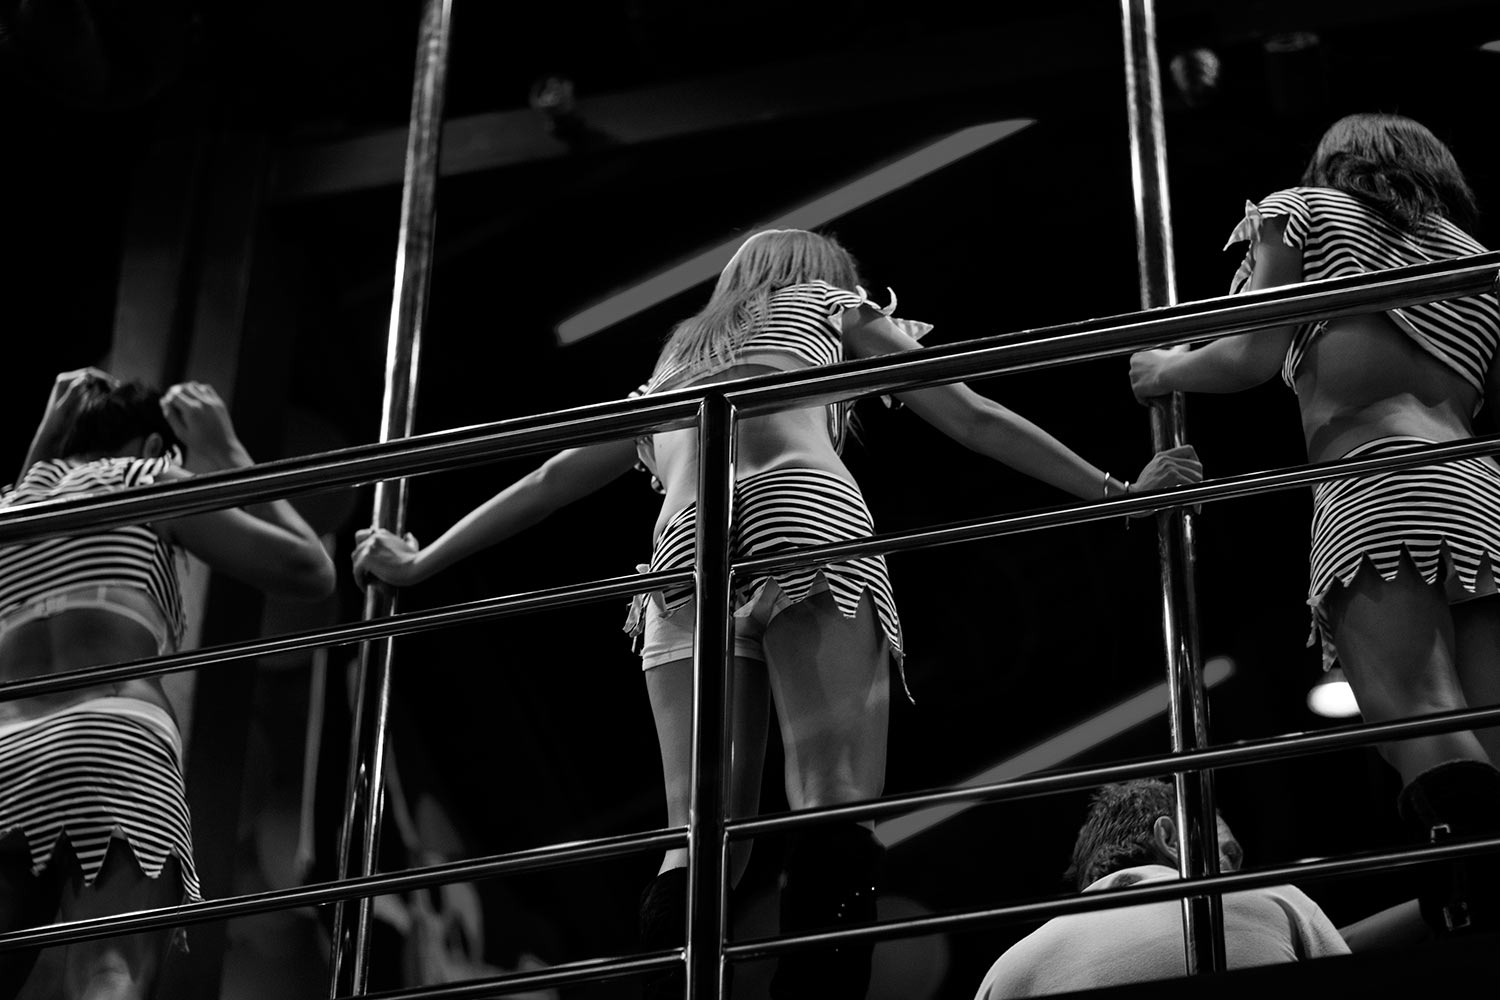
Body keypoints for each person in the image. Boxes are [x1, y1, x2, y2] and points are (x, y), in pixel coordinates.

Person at [352, 228, 1202, 998]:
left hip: (681, 550)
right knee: (832, 802)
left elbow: (551, 481)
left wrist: (421, 561)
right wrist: (1115, 492)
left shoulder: (673, 366)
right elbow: (968, 415)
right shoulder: (829, 304)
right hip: (800, 512)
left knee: (698, 831)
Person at [1128, 112, 1500, 935]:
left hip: (1376, 486)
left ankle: (1474, 911)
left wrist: (1166, 366)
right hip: (1477, 486)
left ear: (1331, 163)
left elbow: (1250, 354)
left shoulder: (1304, 210)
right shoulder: (1474, 260)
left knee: (1418, 715)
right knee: (1485, 723)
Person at [0, 370, 336, 999]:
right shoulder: (145, 479)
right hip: (112, 733)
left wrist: (47, 435)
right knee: (109, 975)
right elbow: (309, 569)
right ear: (155, 447)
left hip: (6, 749)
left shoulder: (12, 505)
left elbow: (30, 495)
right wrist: (227, 450)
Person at [972, 779, 1348, 999]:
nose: (1236, 869)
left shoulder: (1005, 973)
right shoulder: (1274, 899)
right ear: (1169, 837)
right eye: (1227, 854)